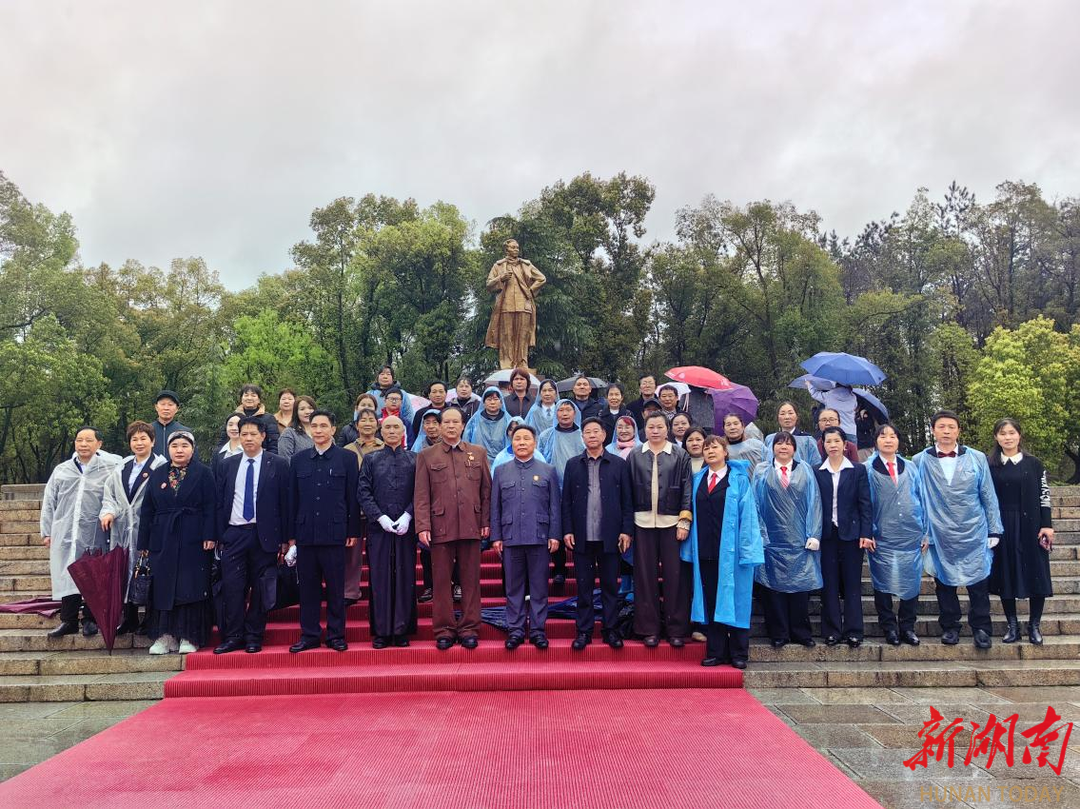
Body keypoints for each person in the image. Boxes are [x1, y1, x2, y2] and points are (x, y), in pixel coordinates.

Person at [912, 410, 1003, 649]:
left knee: (979, 582)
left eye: (951, 427)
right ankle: (950, 627)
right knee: (944, 583)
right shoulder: (920, 460)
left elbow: (988, 494)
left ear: (958, 431)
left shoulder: (977, 457)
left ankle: (981, 628)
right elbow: (916, 498)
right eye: (941, 427)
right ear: (933, 430)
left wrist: (994, 529)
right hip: (939, 531)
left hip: (974, 529)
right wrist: (921, 531)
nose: (946, 431)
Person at [681, 435, 763, 669]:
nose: (710, 451)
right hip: (705, 550)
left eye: (715, 447)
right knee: (711, 600)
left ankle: (739, 652)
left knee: (737, 599)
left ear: (725, 452)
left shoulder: (738, 479)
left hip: (733, 552)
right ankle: (716, 651)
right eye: (706, 448)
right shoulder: (698, 479)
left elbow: (748, 517)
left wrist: (747, 550)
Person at [414, 407, 492, 650]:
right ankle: (444, 629)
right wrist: (422, 525)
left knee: (470, 580)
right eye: (446, 422)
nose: (450, 426)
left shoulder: (477, 453)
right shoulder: (426, 456)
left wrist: (486, 522)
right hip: (440, 525)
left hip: (471, 524)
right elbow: (421, 494)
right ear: (439, 426)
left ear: (463, 425)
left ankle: (469, 628)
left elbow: (486, 492)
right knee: (441, 581)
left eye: (454, 422)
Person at [212, 416, 290, 654]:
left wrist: (285, 539)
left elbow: (285, 503)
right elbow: (218, 502)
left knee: (260, 588)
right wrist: (220, 535)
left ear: (263, 436)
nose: (248, 438)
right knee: (233, 587)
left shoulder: (278, 464)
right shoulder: (227, 464)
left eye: (253, 434)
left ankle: (254, 635)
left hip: (264, 535)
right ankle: (233, 635)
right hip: (234, 534)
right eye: (244, 434)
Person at [287, 410, 362, 652]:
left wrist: (353, 530)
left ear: (333, 429)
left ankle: (336, 634)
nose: (318, 430)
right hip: (305, 534)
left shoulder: (347, 459)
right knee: (308, 588)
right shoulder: (298, 460)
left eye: (323, 426)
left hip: (335, 533)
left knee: (336, 588)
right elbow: (292, 499)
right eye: (314, 426)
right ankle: (309, 635)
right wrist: (291, 535)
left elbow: (352, 497)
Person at [137, 431, 215, 654]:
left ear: (193, 449)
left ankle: (189, 636)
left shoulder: (204, 473)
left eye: (184, 445)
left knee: (191, 586)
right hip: (163, 537)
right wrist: (144, 542)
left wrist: (210, 535)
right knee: (163, 586)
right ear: (168, 449)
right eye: (175, 445)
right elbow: (147, 509)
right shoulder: (158, 474)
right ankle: (165, 636)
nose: (179, 450)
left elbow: (212, 505)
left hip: (194, 536)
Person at [41, 427, 122, 638]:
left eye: (88, 440)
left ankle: (90, 619)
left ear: (99, 444)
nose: (83, 444)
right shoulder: (62, 470)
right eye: (79, 440)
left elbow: (115, 497)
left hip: (95, 532)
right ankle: (68, 620)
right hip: (65, 531)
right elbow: (49, 501)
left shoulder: (109, 469)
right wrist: (46, 531)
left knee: (93, 574)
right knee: (67, 573)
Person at [562, 417, 634, 650]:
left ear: (604, 435)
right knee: (583, 587)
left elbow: (627, 500)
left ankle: (610, 630)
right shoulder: (573, 464)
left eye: (596, 431)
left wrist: (626, 530)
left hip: (610, 536)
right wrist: (567, 530)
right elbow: (566, 502)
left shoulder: (618, 464)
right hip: (582, 535)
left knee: (610, 586)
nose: (592, 435)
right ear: (582, 436)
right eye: (587, 432)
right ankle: (584, 631)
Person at [490, 424, 561, 649]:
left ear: (535, 443)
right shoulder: (501, 471)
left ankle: (538, 630)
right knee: (513, 587)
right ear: (511, 443)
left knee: (539, 587)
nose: (521, 442)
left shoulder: (548, 470)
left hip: (539, 536)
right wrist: (496, 536)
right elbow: (495, 507)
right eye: (517, 438)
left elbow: (554, 506)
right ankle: (516, 630)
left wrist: (554, 534)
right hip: (510, 537)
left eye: (526, 438)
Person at [628, 412, 694, 647]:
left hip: (672, 522)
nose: (655, 431)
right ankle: (649, 628)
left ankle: (676, 628)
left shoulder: (680, 454)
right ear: (644, 430)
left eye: (659, 427)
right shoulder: (635, 454)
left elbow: (687, 488)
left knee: (675, 577)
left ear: (668, 429)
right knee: (644, 577)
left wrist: (684, 521)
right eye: (651, 427)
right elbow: (628, 490)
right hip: (642, 522)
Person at [752, 431, 822, 649]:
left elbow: (814, 501)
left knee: (800, 587)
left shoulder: (805, 470)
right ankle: (778, 633)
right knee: (773, 589)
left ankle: (801, 632)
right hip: (771, 539)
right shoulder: (762, 470)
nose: (783, 447)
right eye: (779, 443)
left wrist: (814, 533)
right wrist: (759, 533)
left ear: (794, 448)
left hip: (799, 539)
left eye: (788, 443)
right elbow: (755, 503)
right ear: (772, 447)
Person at [987, 418, 1054, 645]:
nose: (1008, 437)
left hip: (1032, 525)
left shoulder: (1034, 464)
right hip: (1003, 526)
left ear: (1019, 435)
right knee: (1005, 573)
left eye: (1011, 432)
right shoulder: (990, 465)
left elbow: (1044, 495)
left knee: (1037, 573)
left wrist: (1047, 525)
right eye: (1002, 433)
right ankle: (1012, 625)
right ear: (996, 437)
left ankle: (1034, 625)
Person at [99, 422, 166, 636]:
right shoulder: (122, 467)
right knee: (125, 570)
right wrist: (108, 512)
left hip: (150, 527)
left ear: (153, 441)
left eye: (143, 438)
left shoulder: (161, 466)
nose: (139, 443)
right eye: (134, 439)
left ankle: (149, 619)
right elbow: (109, 495)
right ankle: (129, 617)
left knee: (148, 571)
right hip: (123, 528)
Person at [357, 415, 417, 648]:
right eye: (388, 427)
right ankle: (381, 631)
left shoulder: (414, 459)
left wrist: (408, 515)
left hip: (405, 527)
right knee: (379, 578)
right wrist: (379, 517)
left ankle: (402, 630)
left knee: (405, 576)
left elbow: (421, 491)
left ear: (403, 432)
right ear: (381, 432)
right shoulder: (371, 459)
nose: (392, 431)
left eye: (396, 427)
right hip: (378, 528)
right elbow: (363, 491)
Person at [865, 423, 927, 646]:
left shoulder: (910, 467)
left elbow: (922, 497)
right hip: (881, 534)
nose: (888, 440)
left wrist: (925, 532)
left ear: (898, 441)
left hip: (911, 533)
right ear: (876, 441)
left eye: (893, 436)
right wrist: (868, 531)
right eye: (883, 436)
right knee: (882, 582)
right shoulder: (867, 469)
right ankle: (889, 627)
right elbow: (864, 503)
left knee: (912, 581)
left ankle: (907, 626)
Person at [815, 426, 872, 647]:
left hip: (852, 534)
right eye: (828, 441)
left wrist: (866, 532)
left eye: (836, 441)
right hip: (826, 535)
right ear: (823, 445)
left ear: (845, 444)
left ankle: (854, 630)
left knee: (852, 584)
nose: (833, 445)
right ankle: (832, 630)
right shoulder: (816, 471)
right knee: (828, 584)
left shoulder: (857, 470)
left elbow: (865, 504)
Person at [537, 399, 584, 585]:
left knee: (578, 527)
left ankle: (582, 568)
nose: (564, 413)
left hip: (579, 489)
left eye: (568, 410)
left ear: (575, 413)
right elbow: (540, 459)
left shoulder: (583, 435)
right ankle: (559, 569)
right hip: (553, 487)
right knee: (556, 526)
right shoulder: (546, 436)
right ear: (555, 413)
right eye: (561, 410)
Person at [342, 408, 384, 604]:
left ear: (377, 424)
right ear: (357, 425)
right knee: (351, 555)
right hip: (354, 509)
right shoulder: (347, 450)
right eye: (363, 420)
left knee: (380, 553)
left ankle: (381, 591)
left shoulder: (385, 447)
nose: (367, 423)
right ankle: (350, 592)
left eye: (371, 419)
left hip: (380, 510)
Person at [485, 238, 547, 369]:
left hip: (524, 305)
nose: (516, 250)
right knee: (506, 336)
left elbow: (541, 278)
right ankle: (506, 365)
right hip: (506, 305)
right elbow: (489, 285)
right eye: (513, 247)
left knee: (523, 336)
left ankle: (522, 363)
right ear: (506, 249)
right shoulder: (498, 266)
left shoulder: (526, 265)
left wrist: (531, 290)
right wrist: (500, 278)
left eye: (517, 247)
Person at [220, 384, 280, 454]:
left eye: (253, 395)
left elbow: (273, 444)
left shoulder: (268, 418)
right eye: (246, 395)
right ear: (241, 399)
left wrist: (269, 459)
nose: (249, 398)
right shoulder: (233, 417)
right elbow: (223, 440)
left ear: (259, 399)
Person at [463, 386, 512, 467]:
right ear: (483, 402)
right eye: (489, 399)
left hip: (502, 463)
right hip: (478, 462)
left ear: (501, 402)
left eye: (495, 399)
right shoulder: (474, 420)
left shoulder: (508, 420)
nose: (492, 402)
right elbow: (466, 441)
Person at [764, 401, 821, 467]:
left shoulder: (807, 439)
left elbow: (816, 464)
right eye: (782, 414)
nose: (787, 417)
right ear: (778, 417)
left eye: (790, 413)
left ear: (797, 416)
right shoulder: (770, 439)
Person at [367, 365, 415, 430]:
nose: (385, 376)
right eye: (382, 374)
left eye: (388, 374)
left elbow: (408, 415)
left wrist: (407, 429)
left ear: (392, 377)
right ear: (377, 377)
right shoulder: (370, 394)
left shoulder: (402, 393)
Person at [152, 390, 190, 459]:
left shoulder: (185, 432)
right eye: (162, 404)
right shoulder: (147, 430)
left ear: (177, 409)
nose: (166, 408)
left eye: (170, 405)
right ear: (156, 407)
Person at [278, 395, 316, 460]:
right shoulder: (289, 433)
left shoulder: (323, 432)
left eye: (310, 408)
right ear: (296, 412)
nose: (307, 412)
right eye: (302, 409)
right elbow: (285, 460)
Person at [212, 414, 244, 480]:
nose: (234, 428)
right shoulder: (218, 452)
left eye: (238, 425)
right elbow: (213, 478)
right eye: (230, 425)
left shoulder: (251, 451)